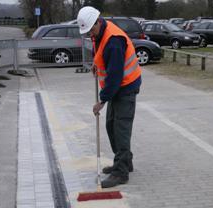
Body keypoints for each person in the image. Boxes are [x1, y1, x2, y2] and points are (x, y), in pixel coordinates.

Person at [77, 6, 142, 188]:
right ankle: (125, 161)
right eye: (87, 31)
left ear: (98, 21)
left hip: (125, 88)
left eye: (91, 30)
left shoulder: (113, 40)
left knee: (121, 129)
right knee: (111, 125)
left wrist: (102, 101)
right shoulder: (100, 32)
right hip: (117, 89)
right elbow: (100, 51)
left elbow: (115, 76)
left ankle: (121, 173)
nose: (90, 34)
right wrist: (96, 63)